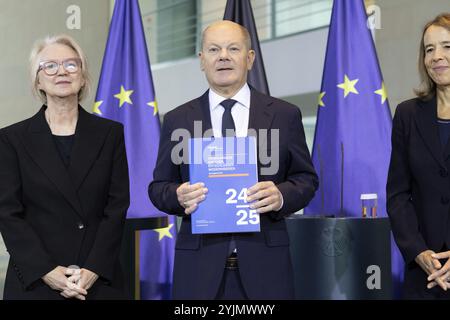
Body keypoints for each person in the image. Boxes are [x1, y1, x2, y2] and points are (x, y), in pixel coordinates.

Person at [148, 20, 318, 300]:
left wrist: (281, 195)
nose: (223, 56)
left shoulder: (285, 115)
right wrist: (177, 195)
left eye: (233, 48)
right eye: (213, 49)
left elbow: (307, 180)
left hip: (266, 266)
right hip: (198, 268)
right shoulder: (178, 119)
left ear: (249, 58)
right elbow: (158, 187)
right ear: (202, 60)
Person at [0, 35, 130, 300]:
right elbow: (8, 213)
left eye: (71, 65)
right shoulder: (11, 139)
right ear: (38, 80)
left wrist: (93, 268)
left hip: (98, 278)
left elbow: (116, 207)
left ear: (82, 76)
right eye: (50, 65)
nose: (61, 71)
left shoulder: (110, 133)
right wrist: (46, 271)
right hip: (36, 280)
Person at [387, 13, 450, 299]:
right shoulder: (407, 115)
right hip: (425, 274)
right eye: (429, 49)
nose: (437, 56)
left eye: (447, 46)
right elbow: (398, 195)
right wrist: (418, 250)